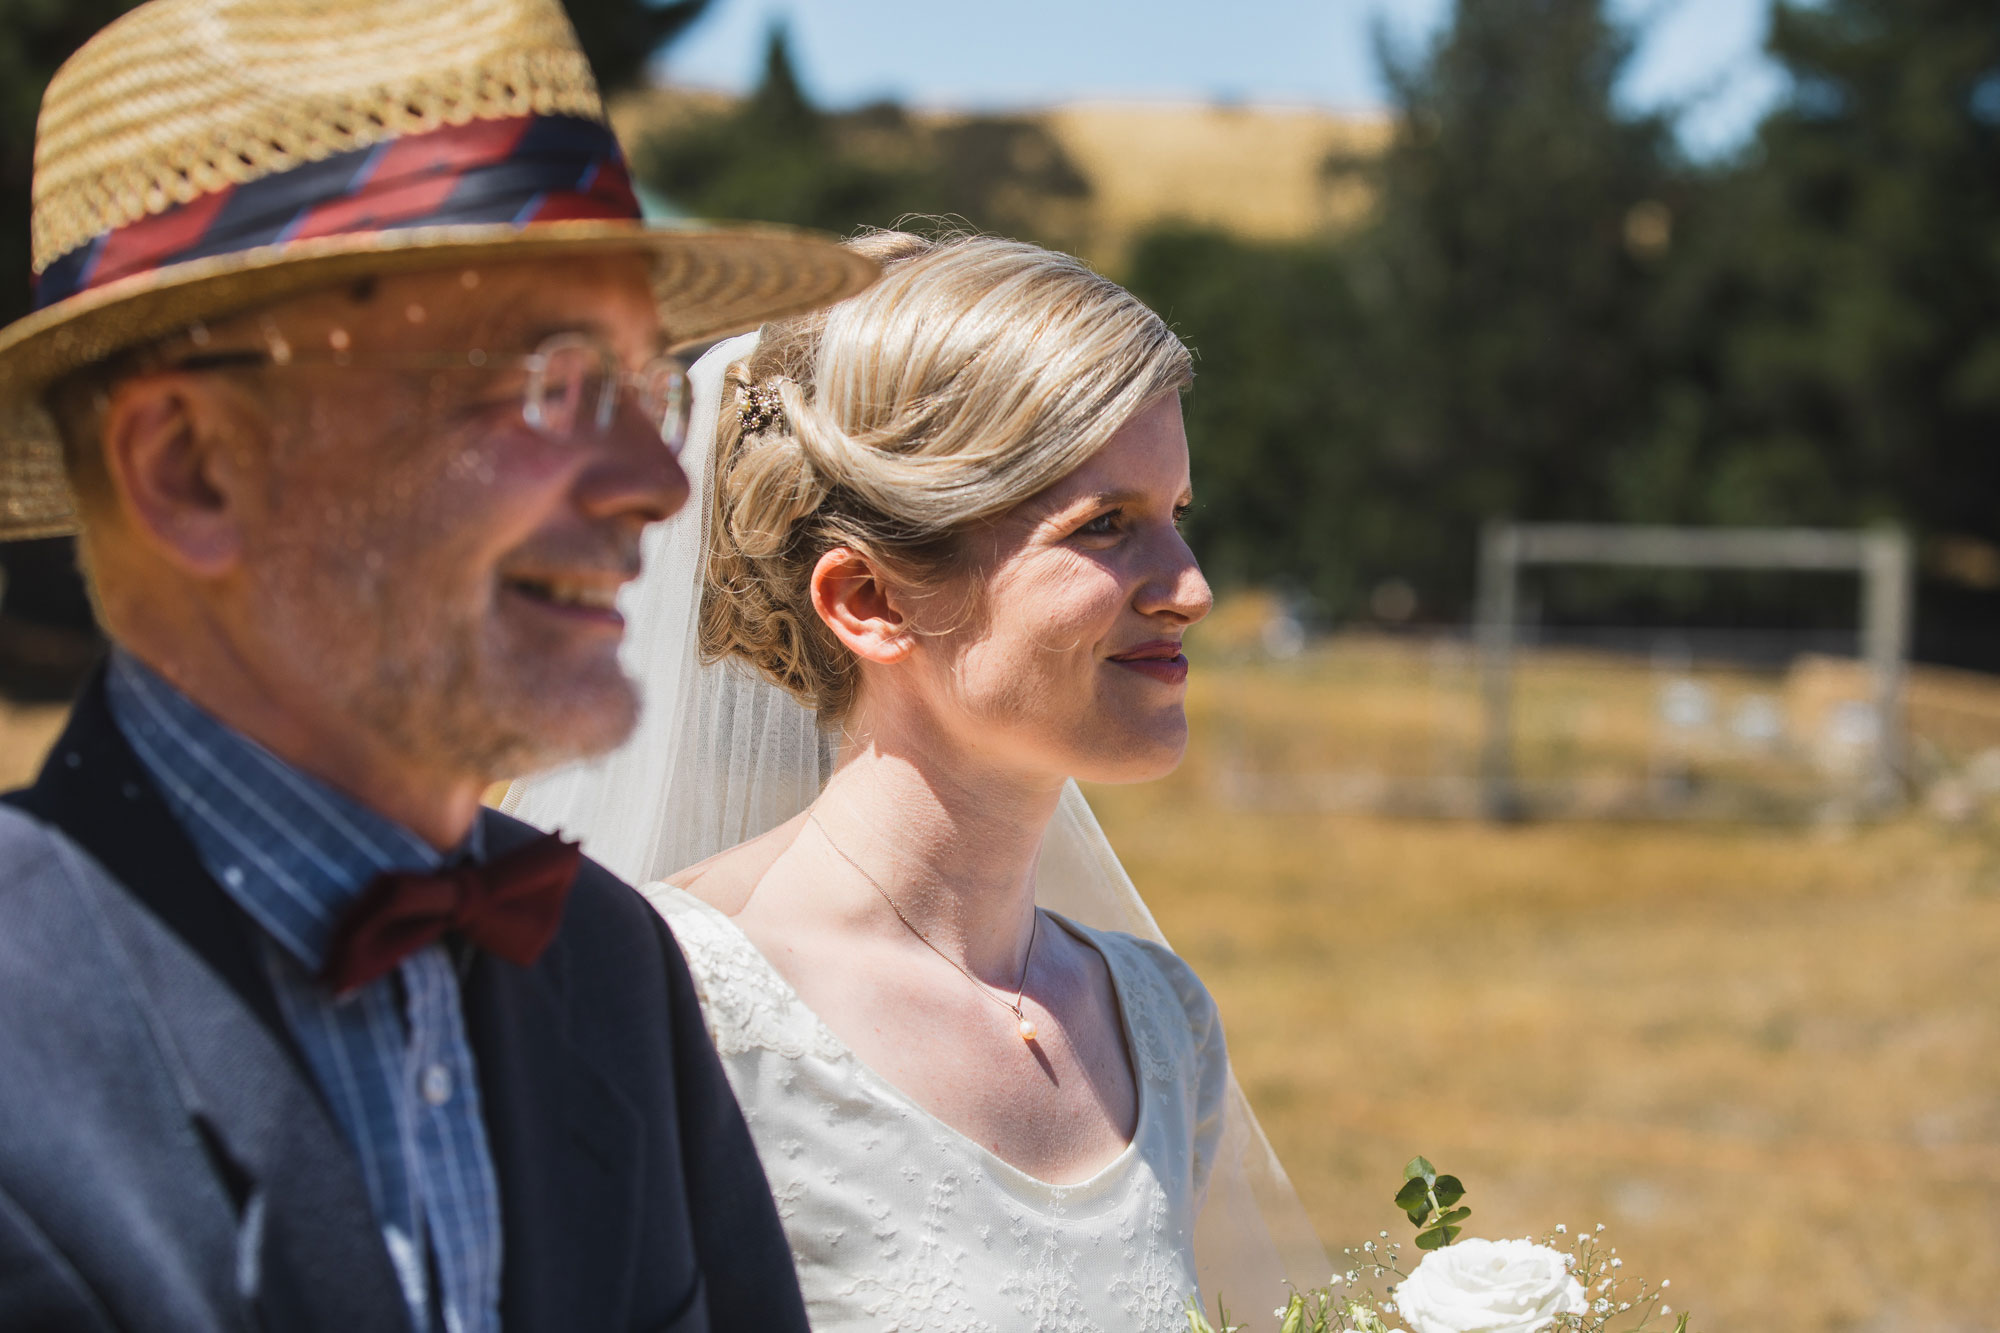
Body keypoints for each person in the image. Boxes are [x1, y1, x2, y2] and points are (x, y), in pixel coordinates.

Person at [0, 1, 875, 1330]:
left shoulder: (609, 968)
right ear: (192, 466)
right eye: (547, 382)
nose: (655, 482)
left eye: (649, 393)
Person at [508, 231, 1328, 1332]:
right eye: (1103, 528)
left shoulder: (1159, 1023)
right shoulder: (668, 1008)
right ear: (869, 602)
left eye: (1175, 516)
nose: (1189, 587)